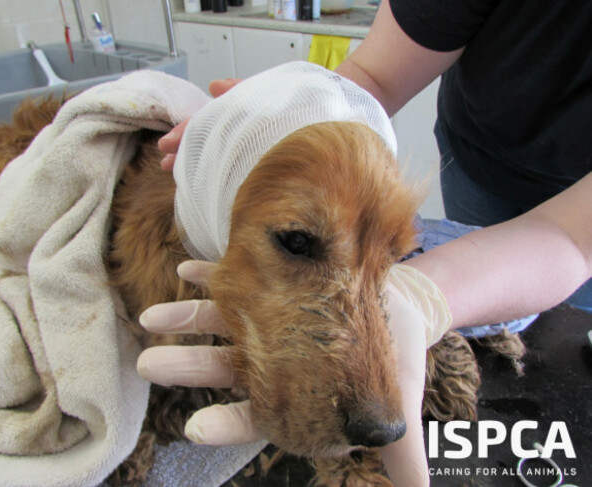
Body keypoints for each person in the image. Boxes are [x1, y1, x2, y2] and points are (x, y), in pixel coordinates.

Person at [137, 0, 591, 484]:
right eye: (297, 241)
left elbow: (574, 238)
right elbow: (372, 77)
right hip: (482, 154)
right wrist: (289, 106)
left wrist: (425, 295)